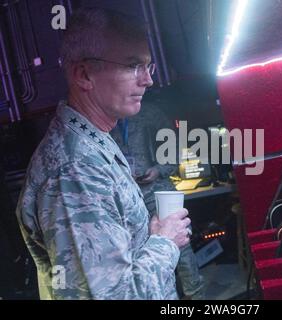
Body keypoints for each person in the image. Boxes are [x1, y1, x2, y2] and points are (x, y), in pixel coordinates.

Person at [15, 7, 191, 300]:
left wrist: (150, 236)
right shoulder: (75, 170)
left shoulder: (93, 140)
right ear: (84, 74)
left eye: (149, 66)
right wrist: (166, 242)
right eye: (133, 65)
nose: (147, 80)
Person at [110, 101, 205, 300]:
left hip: (157, 189)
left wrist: (158, 170)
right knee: (139, 250)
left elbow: (174, 146)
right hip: (125, 194)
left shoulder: (149, 112)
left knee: (182, 246)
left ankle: (195, 296)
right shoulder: (105, 119)